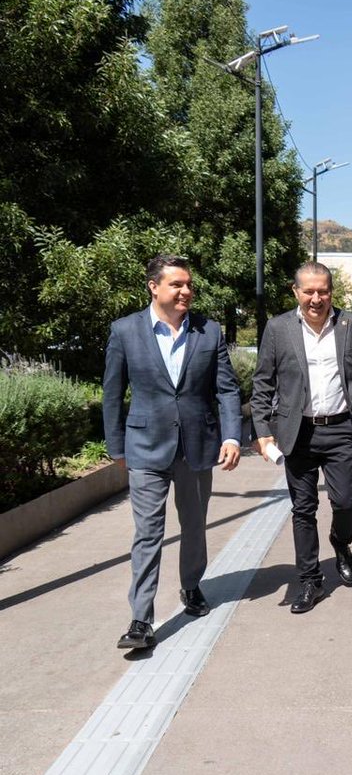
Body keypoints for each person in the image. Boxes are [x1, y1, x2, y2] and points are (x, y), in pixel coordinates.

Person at [103, 254, 242, 650]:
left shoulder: (208, 332)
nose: (186, 291)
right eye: (177, 284)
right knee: (148, 532)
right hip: (145, 446)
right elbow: (112, 393)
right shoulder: (125, 331)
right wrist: (116, 446)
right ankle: (140, 620)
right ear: (154, 287)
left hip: (198, 445)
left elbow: (227, 390)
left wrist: (232, 437)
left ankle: (191, 585)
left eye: (188, 285)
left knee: (195, 525)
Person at [251, 262, 352, 613]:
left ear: (331, 291)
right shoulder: (278, 328)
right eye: (309, 291)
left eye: (323, 291)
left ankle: (341, 542)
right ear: (296, 292)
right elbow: (263, 384)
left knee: (345, 502)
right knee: (303, 509)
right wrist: (264, 432)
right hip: (296, 432)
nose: (316, 298)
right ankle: (310, 580)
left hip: (342, 429)